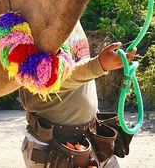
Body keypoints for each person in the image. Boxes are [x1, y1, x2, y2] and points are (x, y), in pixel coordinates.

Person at [20, 21, 137, 167]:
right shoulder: (33, 20)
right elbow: (46, 80)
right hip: (56, 147)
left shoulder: (71, 16)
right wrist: (98, 65)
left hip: (91, 139)